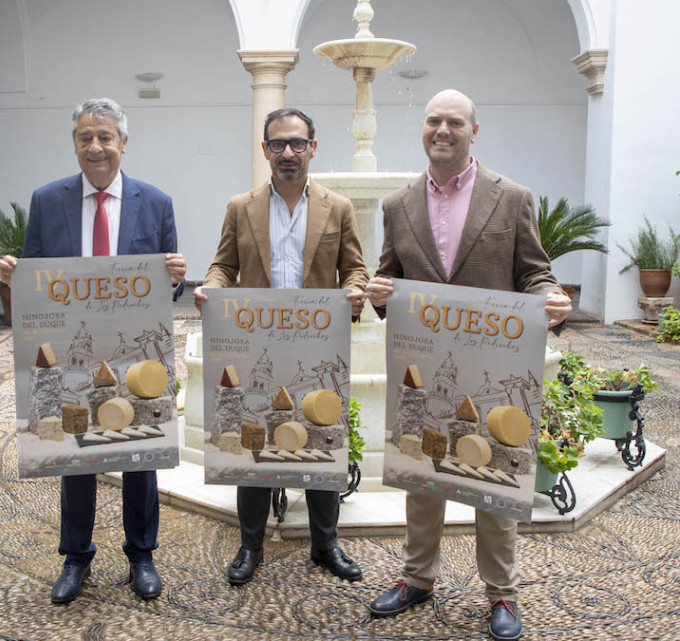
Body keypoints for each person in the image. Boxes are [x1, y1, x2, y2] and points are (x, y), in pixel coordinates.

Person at [365, 89, 571, 641]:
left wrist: (551, 297)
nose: (442, 130)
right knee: (423, 474)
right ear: (423, 128)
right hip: (427, 366)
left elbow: (534, 271)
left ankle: (501, 594)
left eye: (454, 122)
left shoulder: (512, 198)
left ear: (473, 130)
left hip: (493, 364)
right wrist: (380, 293)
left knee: (497, 477)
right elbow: (388, 279)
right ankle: (416, 579)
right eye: (433, 120)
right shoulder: (397, 204)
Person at [0, 98, 187, 604]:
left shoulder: (157, 202)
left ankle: (141, 554)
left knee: (140, 451)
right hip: (74, 354)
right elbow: (36, 277)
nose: (96, 147)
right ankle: (76, 556)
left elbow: (165, 292)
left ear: (123, 143)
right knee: (74, 450)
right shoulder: (47, 200)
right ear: (75, 144)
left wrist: (173, 278)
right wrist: (15, 277)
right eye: (86, 137)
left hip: (133, 355)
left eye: (105, 137)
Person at [194, 107, 369, 585]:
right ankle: (250, 546)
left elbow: (355, 268)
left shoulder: (339, 207)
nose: (287, 153)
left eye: (297, 143)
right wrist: (210, 287)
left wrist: (354, 291)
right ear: (265, 149)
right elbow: (222, 266)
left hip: (317, 348)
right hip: (257, 348)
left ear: (313, 147)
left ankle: (325, 545)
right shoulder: (240, 206)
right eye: (278, 144)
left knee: (321, 443)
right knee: (253, 446)